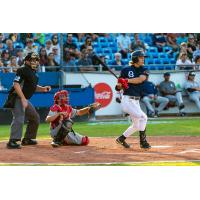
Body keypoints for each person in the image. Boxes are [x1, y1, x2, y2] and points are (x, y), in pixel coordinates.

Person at [3, 52, 51, 149]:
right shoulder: (22, 70)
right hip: (17, 97)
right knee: (19, 117)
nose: (35, 62)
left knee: (35, 117)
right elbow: (16, 84)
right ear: (27, 61)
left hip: (23, 99)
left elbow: (32, 86)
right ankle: (13, 141)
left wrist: (43, 89)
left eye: (36, 60)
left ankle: (28, 138)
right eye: (33, 60)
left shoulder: (32, 72)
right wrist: (23, 99)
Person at [115, 50, 151, 149]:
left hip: (136, 101)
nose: (143, 59)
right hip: (127, 100)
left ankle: (121, 139)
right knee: (143, 117)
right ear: (135, 58)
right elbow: (118, 87)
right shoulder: (125, 70)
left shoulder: (145, 69)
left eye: (143, 57)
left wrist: (127, 80)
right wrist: (120, 85)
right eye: (141, 57)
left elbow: (140, 79)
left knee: (136, 125)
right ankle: (143, 142)